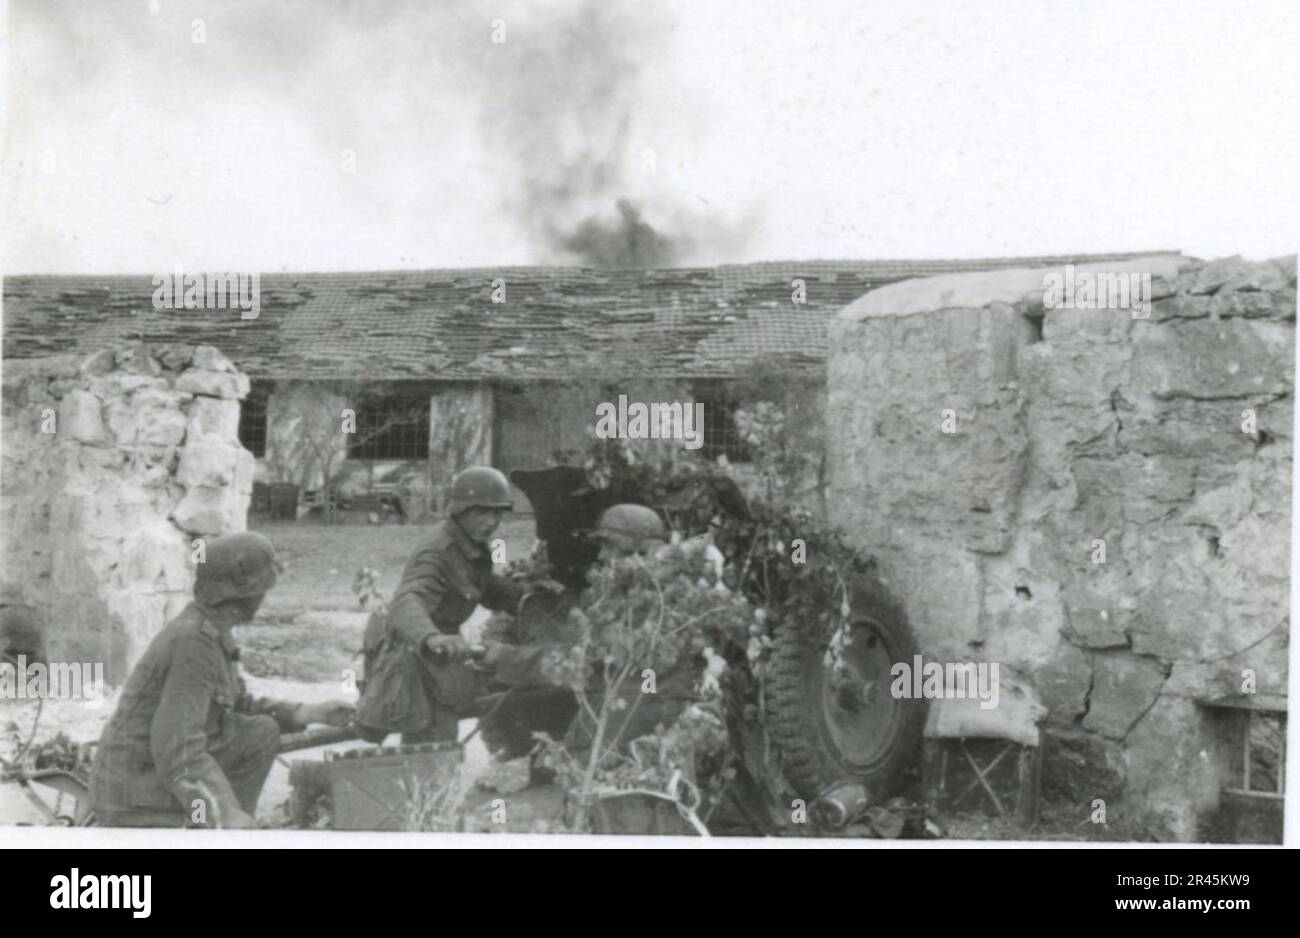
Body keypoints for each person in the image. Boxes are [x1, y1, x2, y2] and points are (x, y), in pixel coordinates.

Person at [90, 532, 354, 828]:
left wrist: (308, 712)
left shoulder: (213, 631)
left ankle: (225, 826)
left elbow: (235, 706)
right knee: (232, 801)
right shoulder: (194, 644)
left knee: (260, 731)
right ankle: (222, 830)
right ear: (242, 592)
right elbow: (177, 749)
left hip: (148, 778)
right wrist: (222, 812)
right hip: (133, 795)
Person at [356, 465, 524, 744]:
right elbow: (408, 600)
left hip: (435, 654)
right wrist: (432, 637)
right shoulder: (438, 551)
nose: (492, 521)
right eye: (482, 512)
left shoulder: (468, 544)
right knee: (434, 740)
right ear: (462, 511)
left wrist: (525, 597)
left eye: (497, 513)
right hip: (413, 653)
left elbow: (476, 585)